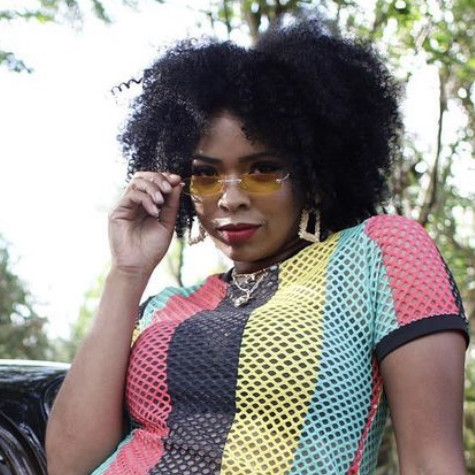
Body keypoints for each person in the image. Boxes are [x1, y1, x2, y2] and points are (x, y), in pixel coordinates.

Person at [46, 18, 470, 474]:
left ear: (315, 177)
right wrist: (127, 273)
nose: (230, 198)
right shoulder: (163, 308)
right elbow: (69, 464)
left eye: (263, 169)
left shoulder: (379, 255)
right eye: (205, 174)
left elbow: (432, 462)